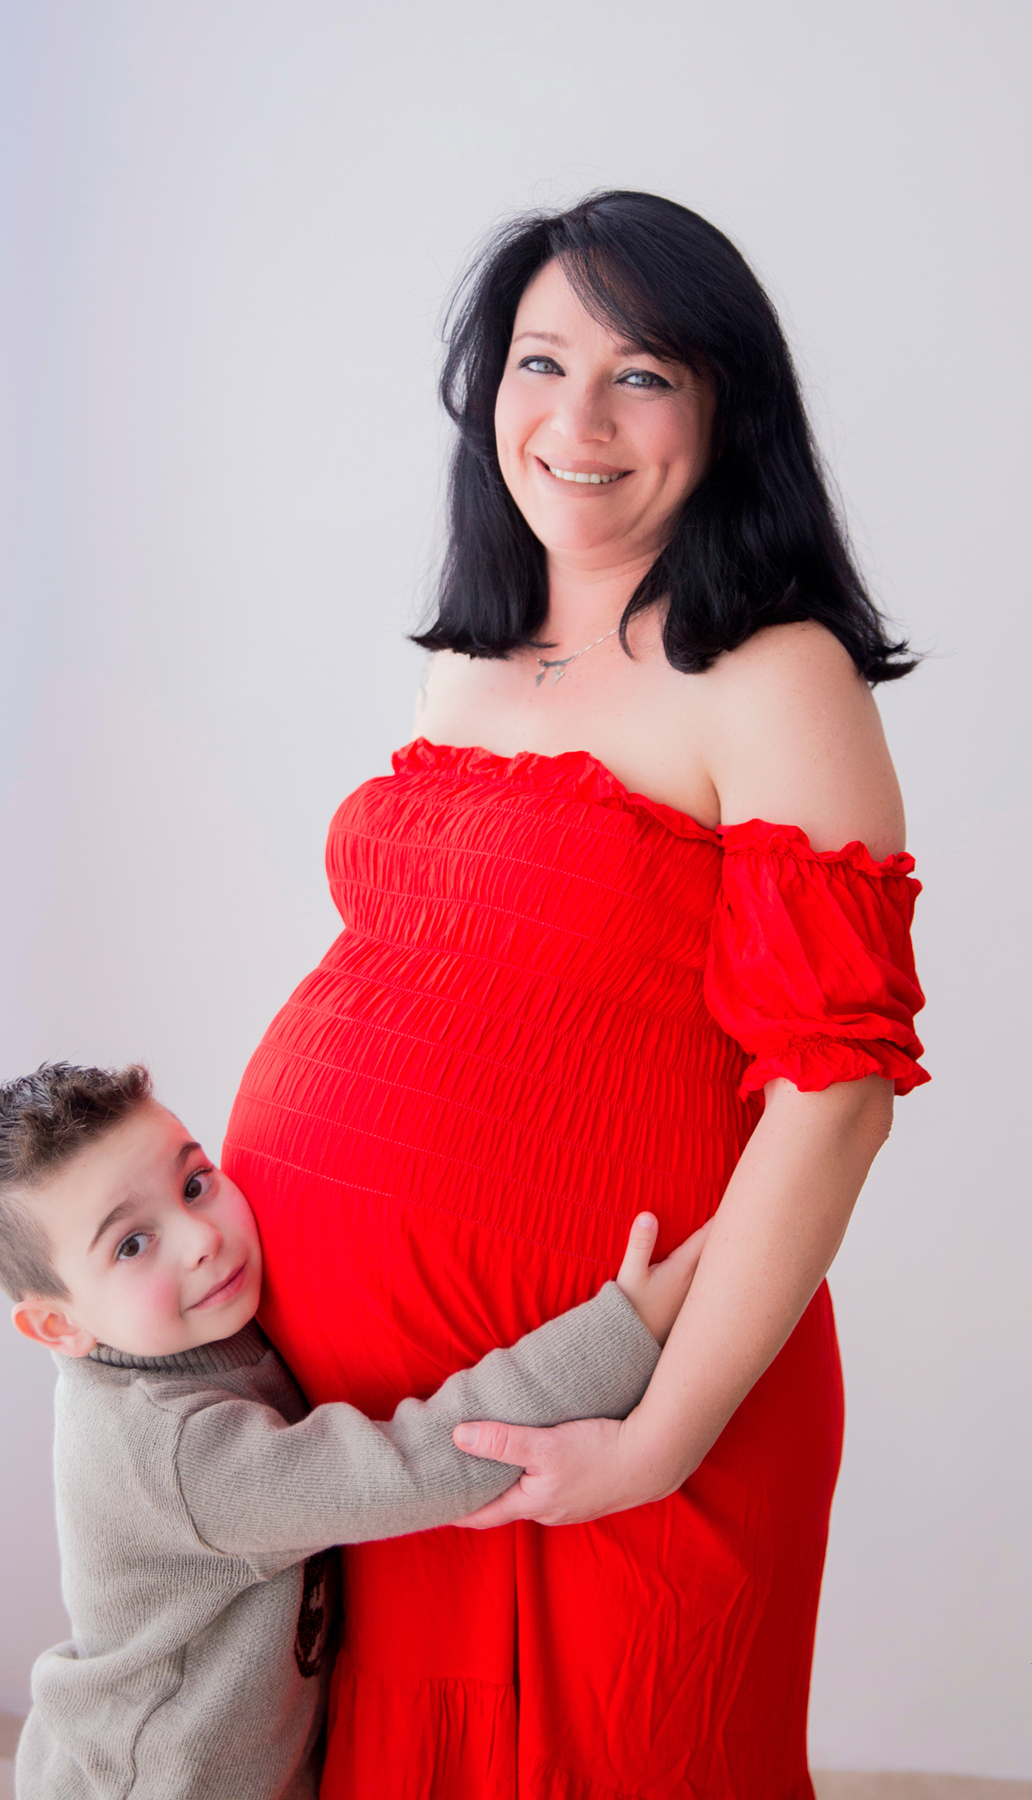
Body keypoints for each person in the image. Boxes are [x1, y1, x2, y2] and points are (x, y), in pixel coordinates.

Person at [221, 190, 928, 1799]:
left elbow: (836, 1099)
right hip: (394, 1440)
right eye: (542, 363)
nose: (579, 420)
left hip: (623, 1416)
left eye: (646, 375)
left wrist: (656, 1438)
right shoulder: (471, 661)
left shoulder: (769, 671)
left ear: (725, 407)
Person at [0, 1060, 707, 1800]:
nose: (200, 1236)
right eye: (132, 1244)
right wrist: (624, 1328)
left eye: (195, 1183)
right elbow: (406, 1465)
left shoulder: (188, 1334)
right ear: (56, 1325)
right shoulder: (170, 1454)